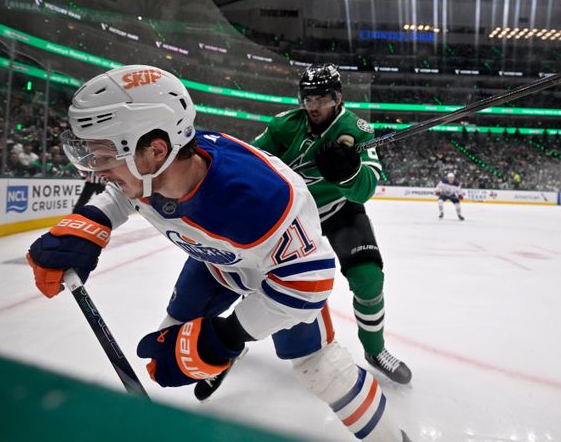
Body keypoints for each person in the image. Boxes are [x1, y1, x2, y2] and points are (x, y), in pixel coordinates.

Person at [25, 65, 411, 442]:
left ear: (155, 150)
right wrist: (93, 220)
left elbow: (310, 280)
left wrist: (227, 335)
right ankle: (217, 356)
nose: (97, 169)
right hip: (216, 264)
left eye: (104, 156)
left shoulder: (262, 200)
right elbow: (124, 192)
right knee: (168, 342)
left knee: (319, 368)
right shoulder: (156, 169)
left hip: (278, 269)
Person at [252, 63, 412, 385]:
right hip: (292, 216)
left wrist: (347, 174)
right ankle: (235, 337)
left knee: (368, 277)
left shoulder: (357, 128)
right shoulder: (284, 125)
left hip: (339, 211)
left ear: (337, 98)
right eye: (307, 99)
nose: (313, 106)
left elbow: (366, 187)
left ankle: (375, 349)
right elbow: (251, 161)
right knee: (251, 272)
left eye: (321, 99)